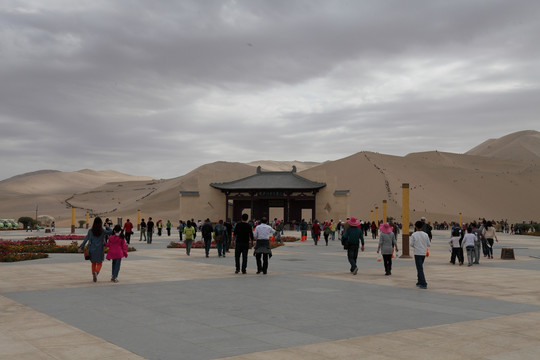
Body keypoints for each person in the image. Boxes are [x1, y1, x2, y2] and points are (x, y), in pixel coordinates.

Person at [79, 217, 113, 283]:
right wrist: (108, 227)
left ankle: (93, 275)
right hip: (100, 249)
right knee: (100, 263)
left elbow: (86, 239)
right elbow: (111, 232)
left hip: (92, 249)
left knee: (93, 263)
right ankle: (96, 273)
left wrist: (81, 247)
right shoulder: (102, 231)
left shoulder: (90, 231)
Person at [410, 220, 430, 289]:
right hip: (423, 253)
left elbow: (411, 244)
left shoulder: (414, 234)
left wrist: (416, 246)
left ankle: (424, 283)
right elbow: (428, 244)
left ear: (416, 227)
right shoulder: (425, 234)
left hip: (417, 253)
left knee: (419, 268)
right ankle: (419, 281)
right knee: (420, 267)